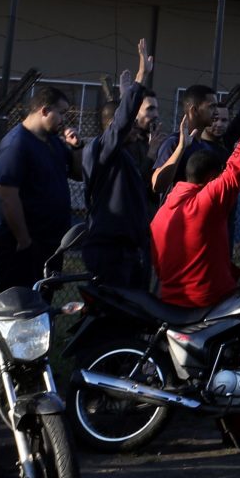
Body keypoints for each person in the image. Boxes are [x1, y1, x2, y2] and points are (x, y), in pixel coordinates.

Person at [152, 83, 240, 307]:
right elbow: (237, 167)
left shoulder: (161, 216)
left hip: (171, 303)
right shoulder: (206, 203)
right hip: (208, 301)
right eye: (211, 106)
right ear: (212, 178)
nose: (216, 114)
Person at [81, 40, 160, 291]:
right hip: (110, 251)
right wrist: (140, 78)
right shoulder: (101, 151)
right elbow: (121, 123)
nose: (136, 129)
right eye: (131, 127)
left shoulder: (124, 155)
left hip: (131, 249)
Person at [0, 87, 74, 290]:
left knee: (44, 302)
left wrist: (77, 147)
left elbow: (78, 173)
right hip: (24, 245)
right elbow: (8, 196)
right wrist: (24, 240)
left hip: (51, 243)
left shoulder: (53, 142)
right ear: (44, 110)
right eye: (61, 113)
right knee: (20, 306)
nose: (63, 119)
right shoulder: (16, 144)